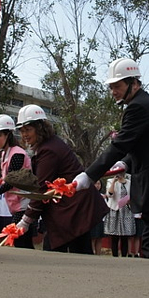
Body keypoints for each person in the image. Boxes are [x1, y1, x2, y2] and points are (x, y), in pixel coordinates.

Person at [73, 58, 149, 260]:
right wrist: (125, 163)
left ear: (134, 83)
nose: (113, 91)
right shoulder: (146, 103)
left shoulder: (138, 107)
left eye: (118, 86)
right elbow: (145, 145)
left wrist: (89, 175)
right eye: (111, 87)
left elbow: (120, 145)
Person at [15, 105, 108, 254]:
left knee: (59, 251)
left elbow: (42, 189)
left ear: (40, 128)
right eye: (22, 130)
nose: (24, 134)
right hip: (73, 208)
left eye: (28, 129)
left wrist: (26, 220)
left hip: (74, 208)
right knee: (78, 250)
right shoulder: (48, 145)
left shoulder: (48, 150)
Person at [0, 114, 35, 248]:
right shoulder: (5, 154)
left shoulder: (17, 154)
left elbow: (10, 183)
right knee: (22, 242)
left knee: (18, 240)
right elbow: (6, 178)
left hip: (24, 205)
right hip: (17, 206)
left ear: (8, 134)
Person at [104, 171, 135, 257]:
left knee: (125, 235)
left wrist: (129, 200)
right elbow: (109, 194)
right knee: (114, 235)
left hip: (126, 210)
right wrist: (114, 181)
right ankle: (114, 255)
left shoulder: (129, 183)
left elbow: (133, 195)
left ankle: (124, 255)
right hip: (115, 209)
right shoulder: (110, 181)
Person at [90, 181, 107, 255]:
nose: (97, 185)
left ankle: (98, 253)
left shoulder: (103, 196)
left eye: (99, 184)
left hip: (101, 220)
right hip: (92, 220)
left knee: (99, 238)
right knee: (93, 238)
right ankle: (92, 252)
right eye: (96, 183)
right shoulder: (89, 195)